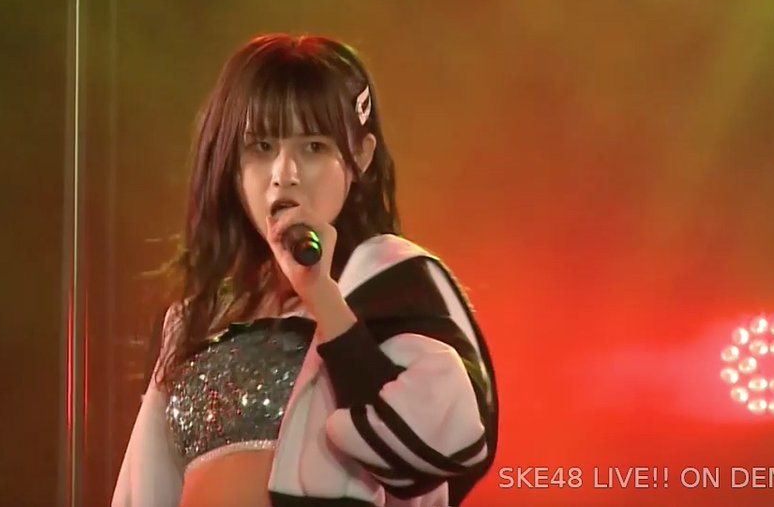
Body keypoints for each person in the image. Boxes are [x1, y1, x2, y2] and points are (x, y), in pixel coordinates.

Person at [112, 34, 498, 507]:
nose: (284, 173)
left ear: (360, 156)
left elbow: (440, 440)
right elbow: (144, 489)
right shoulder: (193, 320)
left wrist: (322, 296)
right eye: (261, 147)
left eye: (313, 146)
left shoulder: (395, 282)